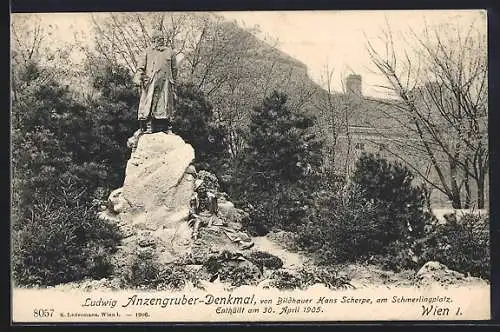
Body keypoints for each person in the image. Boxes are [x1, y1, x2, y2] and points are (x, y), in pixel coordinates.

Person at [133, 29, 178, 133]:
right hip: (150, 83)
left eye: (162, 39)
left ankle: (168, 128)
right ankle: (148, 126)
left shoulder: (170, 52)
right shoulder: (147, 52)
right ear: (153, 40)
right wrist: (139, 78)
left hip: (165, 83)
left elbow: (174, 69)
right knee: (149, 104)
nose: (161, 41)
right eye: (158, 39)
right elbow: (140, 68)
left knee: (166, 105)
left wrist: (173, 82)